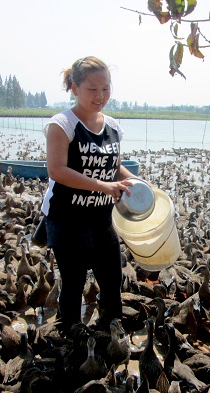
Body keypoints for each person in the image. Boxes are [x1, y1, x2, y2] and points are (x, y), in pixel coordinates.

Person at [40, 56, 137, 336]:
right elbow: (57, 170)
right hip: (67, 218)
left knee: (112, 276)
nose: (100, 96)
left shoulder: (114, 127)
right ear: (74, 88)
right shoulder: (62, 124)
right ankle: (70, 330)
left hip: (101, 217)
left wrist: (136, 182)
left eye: (105, 89)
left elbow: (113, 166)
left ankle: (109, 326)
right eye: (92, 89)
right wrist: (103, 186)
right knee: (73, 279)